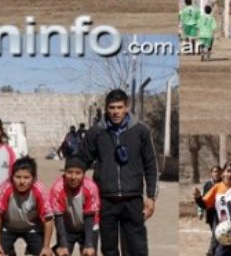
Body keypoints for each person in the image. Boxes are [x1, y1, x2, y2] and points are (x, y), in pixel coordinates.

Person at [79, 89, 158, 256]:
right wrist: (75, 191)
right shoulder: (96, 132)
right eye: (112, 107)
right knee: (109, 249)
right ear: (106, 108)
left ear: (126, 107)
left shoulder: (140, 131)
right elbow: (81, 162)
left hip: (133, 199)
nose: (115, 112)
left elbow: (150, 165)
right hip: (105, 200)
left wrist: (151, 196)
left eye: (119, 107)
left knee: (136, 249)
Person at [0, 157, 54, 256]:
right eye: (18, 177)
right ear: (12, 177)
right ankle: (10, 252)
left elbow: (48, 219)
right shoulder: (5, 188)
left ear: (33, 178)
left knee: (45, 254)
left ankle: (30, 250)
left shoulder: (39, 190)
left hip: (33, 228)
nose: (21, 181)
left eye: (26, 177)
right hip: (8, 227)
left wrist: (46, 247)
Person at [49, 157, 100, 256]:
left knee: (90, 253)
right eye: (69, 172)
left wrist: (88, 244)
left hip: (89, 227)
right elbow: (58, 217)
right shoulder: (57, 188)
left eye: (78, 173)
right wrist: (63, 244)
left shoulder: (91, 187)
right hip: (67, 228)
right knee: (63, 253)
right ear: (64, 172)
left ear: (84, 174)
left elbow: (90, 216)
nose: (73, 177)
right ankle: (57, 248)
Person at [199, 165, 222, 256]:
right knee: (216, 232)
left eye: (219, 172)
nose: (217, 174)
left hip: (220, 213)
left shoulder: (224, 184)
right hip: (210, 213)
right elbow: (203, 199)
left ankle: (211, 252)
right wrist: (200, 211)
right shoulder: (207, 185)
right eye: (215, 172)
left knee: (216, 233)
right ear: (211, 173)